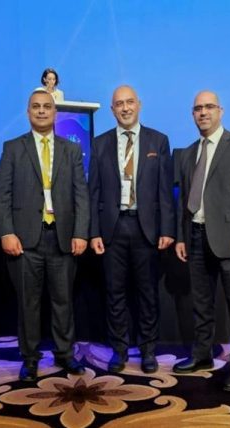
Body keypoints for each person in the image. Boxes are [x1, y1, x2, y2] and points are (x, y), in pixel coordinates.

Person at [0, 90, 89, 382]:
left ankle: (65, 354)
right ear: (28, 112)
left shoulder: (71, 150)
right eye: (35, 106)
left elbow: (81, 195)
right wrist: (6, 232)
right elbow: (3, 195)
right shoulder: (13, 148)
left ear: (55, 112)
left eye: (47, 106)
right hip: (25, 240)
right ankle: (30, 359)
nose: (41, 111)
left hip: (62, 237)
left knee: (63, 302)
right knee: (29, 304)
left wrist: (81, 232)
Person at [172, 91, 230, 393]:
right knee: (201, 304)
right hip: (196, 237)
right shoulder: (187, 153)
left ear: (220, 111)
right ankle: (202, 355)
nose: (203, 112)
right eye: (198, 108)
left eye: (209, 107)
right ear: (192, 114)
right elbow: (184, 201)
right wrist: (182, 237)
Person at [88, 85, 175, 374]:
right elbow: (93, 192)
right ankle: (120, 350)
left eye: (129, 102)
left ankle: (148, 350)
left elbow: (165, 191)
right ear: (112, 109)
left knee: (147, 293)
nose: (125, 108)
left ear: (139, 105)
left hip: (145, 228)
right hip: (111, 228)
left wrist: (167, 229)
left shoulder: (158, 141)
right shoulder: (99, 144)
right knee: (114, 293)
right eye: (119, 104)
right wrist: (93, 232)